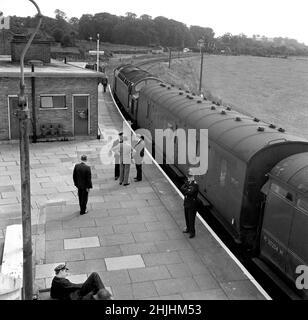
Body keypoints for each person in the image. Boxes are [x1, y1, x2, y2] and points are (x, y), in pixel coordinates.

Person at [180, 168, 199, 238]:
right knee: (187, 217)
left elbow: (190, 192)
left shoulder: (195, 185)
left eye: (190, 176)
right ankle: (188, 228)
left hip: (192, 205)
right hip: (186, 203)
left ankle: (192, 232)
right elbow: (182, 188)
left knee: (191, 219)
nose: (189, 177)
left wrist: (186, 190)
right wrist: (187, 189)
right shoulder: (188, 182)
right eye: (189, 176)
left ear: (193, 176)